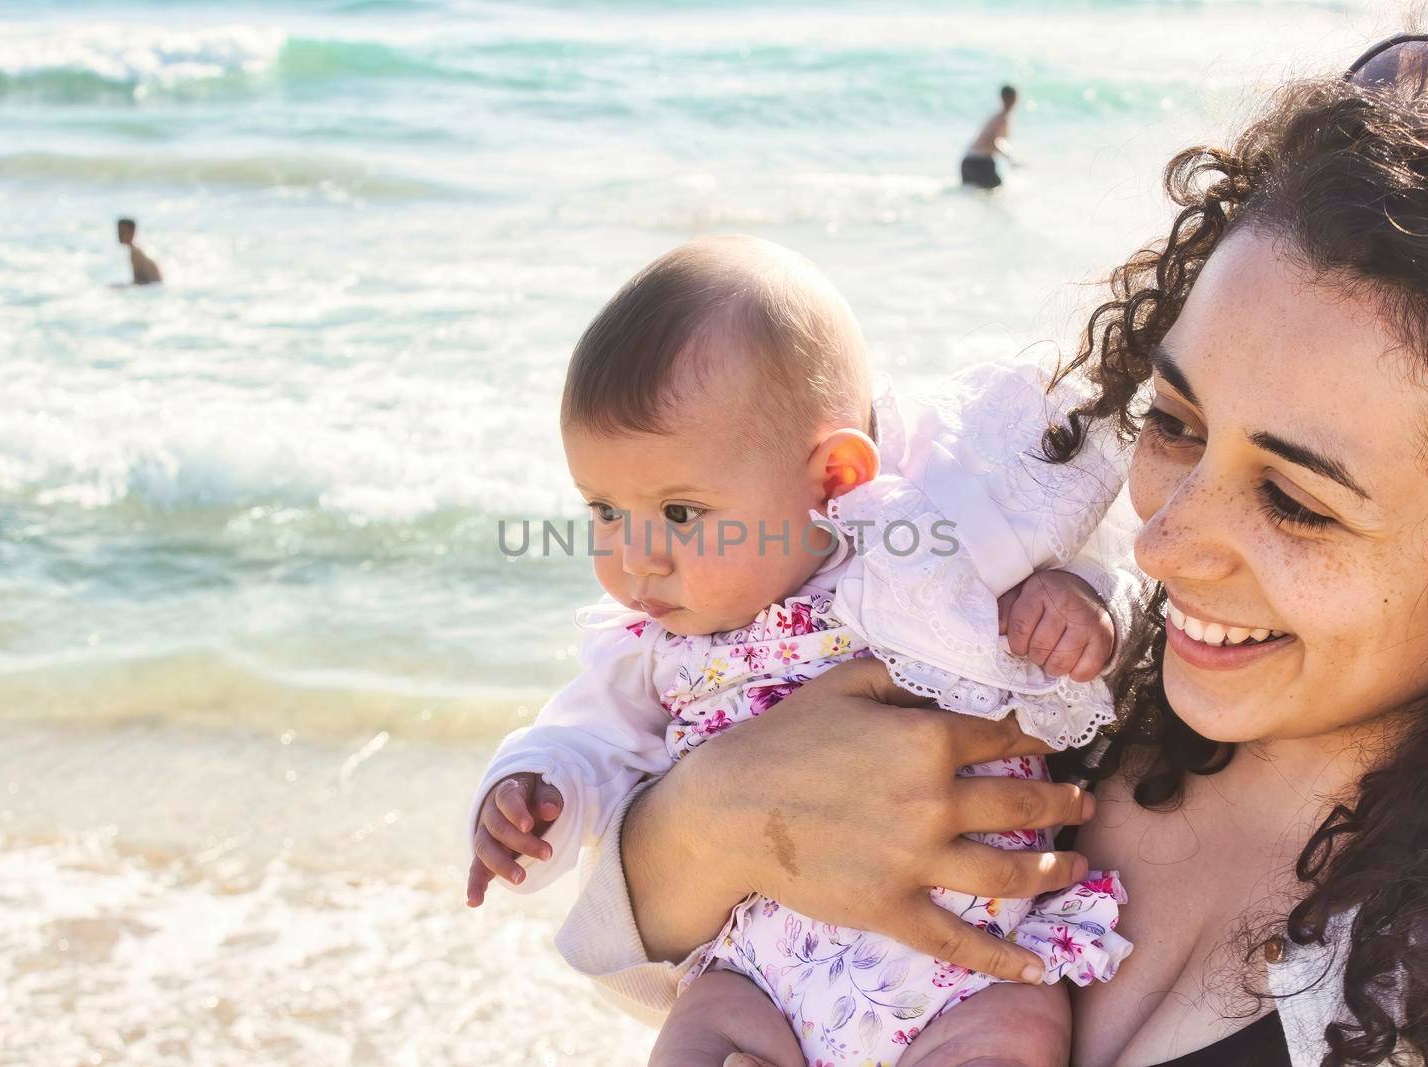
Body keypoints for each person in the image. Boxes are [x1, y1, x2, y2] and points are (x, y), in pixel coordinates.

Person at [550, 28, 1428, 1067]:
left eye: (1294, 501)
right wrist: (710, 814)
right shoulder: (1049, 682)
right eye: (1175, 422)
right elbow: (646, 956)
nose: (1161, 544)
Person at [465, 235, 1139, 1066]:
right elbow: (584, 738)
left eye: (679, 513)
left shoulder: (925, 550)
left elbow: (1103, 556)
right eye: (604, 508)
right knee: (696, 1034)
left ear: (833, 481)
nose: (636, 557)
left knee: (1017, 1031)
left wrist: (1077, 602)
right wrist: (533, 788)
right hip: (757, 974)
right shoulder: (649, 640)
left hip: (969, 967)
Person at [961, 85, 1017, 190]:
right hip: (980, 162)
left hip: (969, 161)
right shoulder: (1003, 119)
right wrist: (1010, 157)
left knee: (976, 197)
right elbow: (996, 140)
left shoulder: (996, 117)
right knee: (997, 194)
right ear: (1015, 99)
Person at [116, 218, 162, 286]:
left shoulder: (135, 253)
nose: (120, 235)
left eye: (123, 231)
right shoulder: (137, 250)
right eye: (119, 231)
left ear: (132, 232)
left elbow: (139, 282)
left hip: (153, 286)